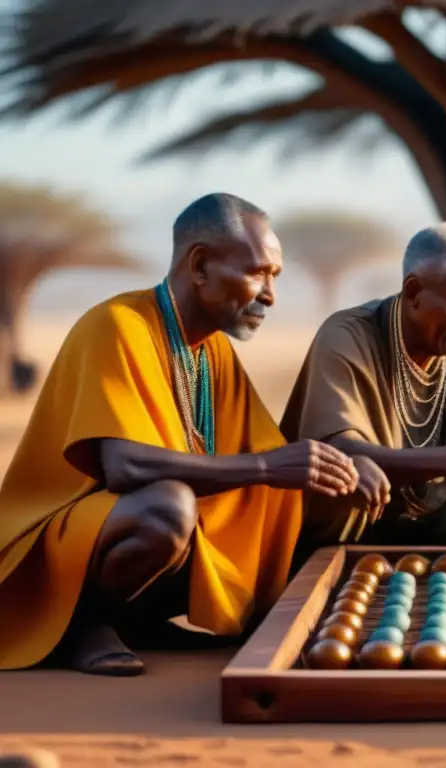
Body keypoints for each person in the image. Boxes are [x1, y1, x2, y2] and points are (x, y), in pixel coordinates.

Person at [0, 193, 360, 677]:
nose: (270, 295)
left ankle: (137, 621)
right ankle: (81, 625)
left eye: (275, 277)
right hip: (45, 554)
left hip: (139, 528)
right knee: (167, 507)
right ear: (200, 265)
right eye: (257, 273)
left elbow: (269, 452)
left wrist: (346, 464)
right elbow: (125, 467)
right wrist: (268, 468)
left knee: (288, 498)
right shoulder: (117, 324)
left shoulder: (212, 351)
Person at [279, 222, 446, 557]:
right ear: (413, 293)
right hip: (344, 538)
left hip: (438, 535)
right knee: (350, 472)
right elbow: (339, 450)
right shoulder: (347, 335)